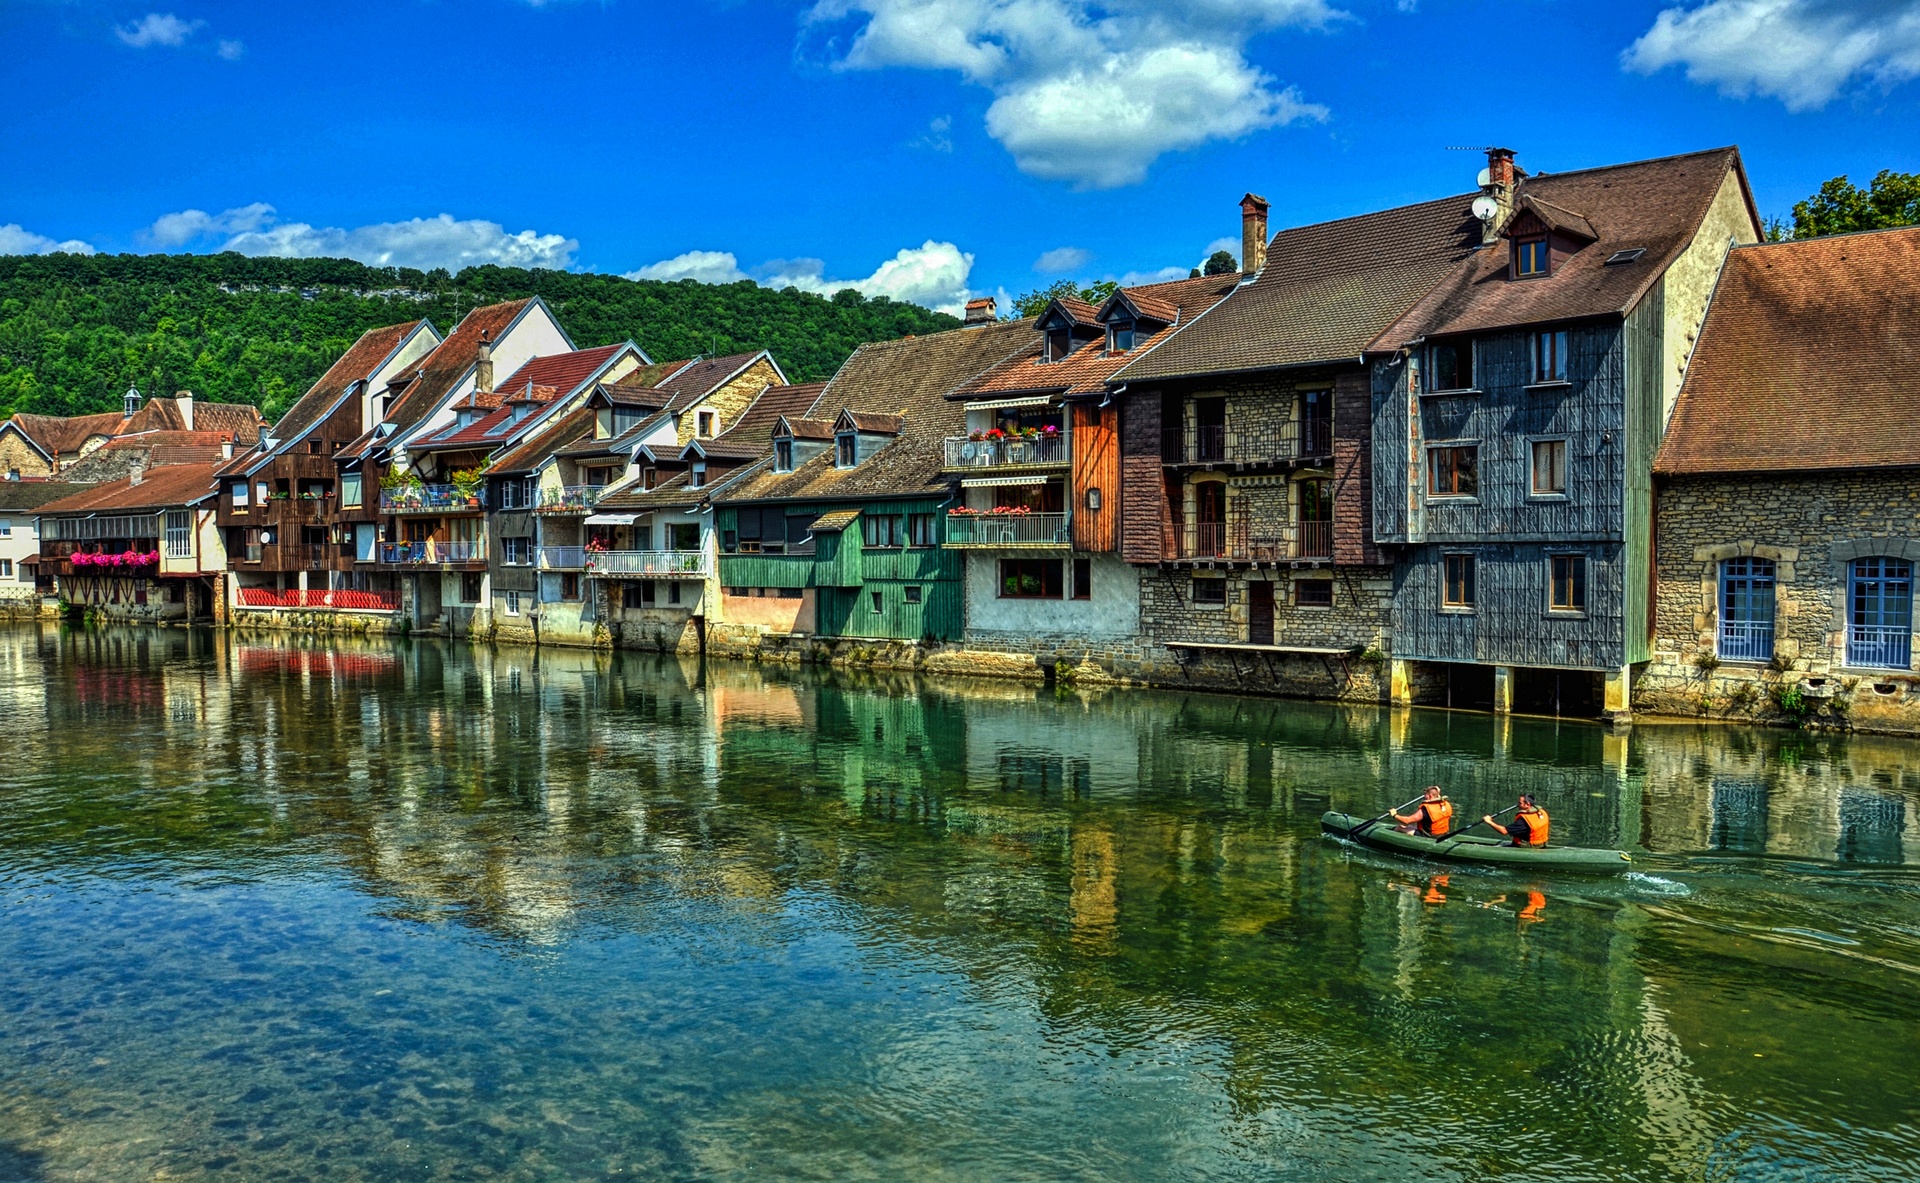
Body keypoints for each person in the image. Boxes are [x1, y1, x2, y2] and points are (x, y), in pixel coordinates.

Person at [1484, 794, 1550, 847]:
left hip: (1530, 846)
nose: (1517, 805)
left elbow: (1504, 831)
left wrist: (1489, 821)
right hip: (1542, 844)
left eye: (1520, 803)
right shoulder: (1542, 812)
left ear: (1527, 804)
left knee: (1498, 846)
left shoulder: (1524, 821)